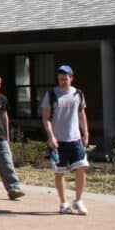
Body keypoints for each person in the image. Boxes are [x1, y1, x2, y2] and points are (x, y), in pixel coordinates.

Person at [42, 64, 90, 215]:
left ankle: (78, 200)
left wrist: (85, 132)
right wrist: (51, 136)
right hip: (58, 140)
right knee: (59, 172)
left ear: (71, 78)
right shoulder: (51, 95)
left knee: (82, 167)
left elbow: (81, 114)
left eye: (65, 79)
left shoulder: (78, 94)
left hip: (75, 138)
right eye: (60, 79)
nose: (63, 81)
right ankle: (63, 203)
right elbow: (46, 118)